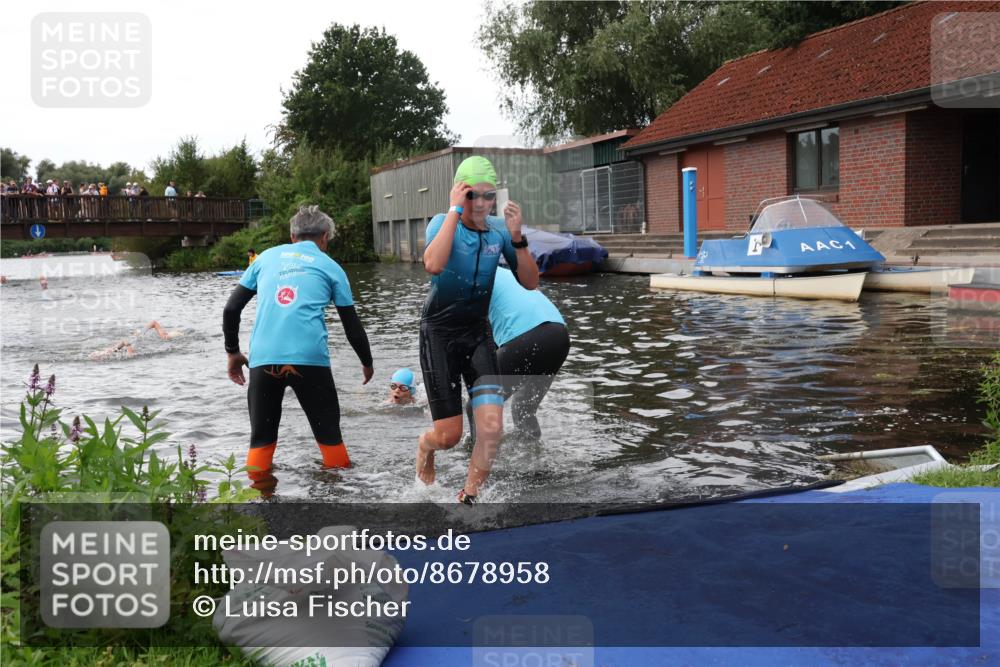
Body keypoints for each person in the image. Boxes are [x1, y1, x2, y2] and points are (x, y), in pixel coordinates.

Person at [223, 204, 374, 497]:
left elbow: (231, 308)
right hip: (311, 362)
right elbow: (351, 325)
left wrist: (233, 352)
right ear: (325, 237)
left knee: (262, 440)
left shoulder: (265, 258)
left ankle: (258, 505)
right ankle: (339, 502)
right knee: (329, 437)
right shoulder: (331, 266)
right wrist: (367, 362)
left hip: (264, 360)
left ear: (292, 236)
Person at [416, 156, 539, 504]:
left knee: (491, 428)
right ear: (460, 192)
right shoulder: (442, 222)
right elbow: (433, 264)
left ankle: (468, 497)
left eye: (488, 196)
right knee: (449, 436)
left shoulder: (499, 232)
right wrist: (455, 211)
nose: (482, 204)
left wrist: (517, 239)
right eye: (473, 195)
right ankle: (425, 446)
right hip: (438, 334)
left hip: (477, 334)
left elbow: (530, 283)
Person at [466, 267, 569, 443]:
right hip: (559, 336)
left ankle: (478, 464)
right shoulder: (506, 272)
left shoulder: (473, 275)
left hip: (527, 336)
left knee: (476, 405)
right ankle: (532, 459)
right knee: (524, 408)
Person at [89, 320, 181, 360]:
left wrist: (128, 346)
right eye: (98, 355)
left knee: (154, 323)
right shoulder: (115, 353)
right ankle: (165, 336)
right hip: (135, 339)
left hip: (135, 337)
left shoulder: (113, 351)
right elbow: (125, 344)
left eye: (98, 354)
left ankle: (165, 336)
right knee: (153, 323)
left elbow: (125, 341)